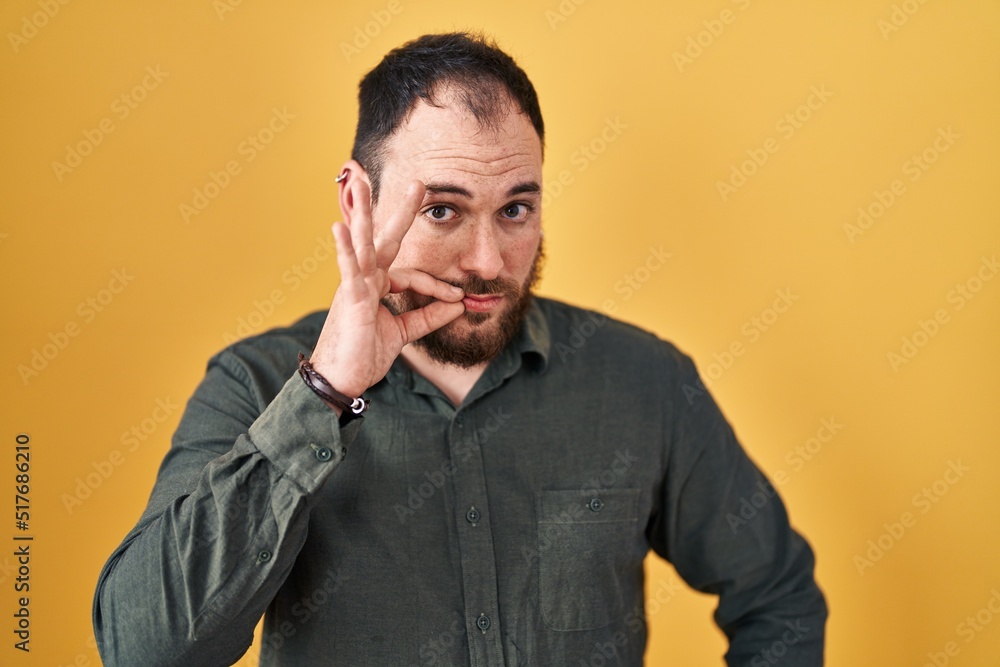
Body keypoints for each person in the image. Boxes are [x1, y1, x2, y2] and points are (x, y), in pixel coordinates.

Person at [93, 32, 827, 666]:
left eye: (516, 209)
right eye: (443, 209)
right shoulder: (254, 385)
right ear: (359, 202)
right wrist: (324, 393)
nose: (487, 260)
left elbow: (780, 596)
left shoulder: (644, 382)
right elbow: (145, 648)